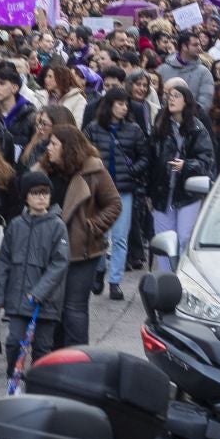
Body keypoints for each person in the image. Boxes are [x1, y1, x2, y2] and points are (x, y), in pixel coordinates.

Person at [41, 125, 121, 348]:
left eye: (54, 144)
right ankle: (54, 360)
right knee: (51, 308)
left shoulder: (93, 171)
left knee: (74, 308)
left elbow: (114, 204)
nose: (49, 148)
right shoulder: (43, 170)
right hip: (48, 250)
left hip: (81, 251)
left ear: (68, 148)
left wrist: (92, 227)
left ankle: (77, 362)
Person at [0, 171, 71, 373]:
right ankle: (14, 377)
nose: (41, 197)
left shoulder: (57, 226)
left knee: (42, 349)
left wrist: (39, 292)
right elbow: (4, 260)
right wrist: (1, 294)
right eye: (36, 193)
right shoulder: (15, 225)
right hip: (19, 299)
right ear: (26, 197)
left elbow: (60, 263)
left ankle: (38, 386)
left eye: (45, 193)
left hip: (46, 302)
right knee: (13, 343)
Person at [85, 88, 149, 301]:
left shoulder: (133, 130)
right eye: (120, 104)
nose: (124, 108)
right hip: (99, 190)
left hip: (124, 190)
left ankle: (115, 282)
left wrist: (133, 171)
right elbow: (83, 153)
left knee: (120, 237)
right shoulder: (94, 129)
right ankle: (100, 268)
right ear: (110, 105)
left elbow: (144, 156)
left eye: (125, 104)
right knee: (99, 234)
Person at [147, 80, 216, 267]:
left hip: (187, 193)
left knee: (184, 237)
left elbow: (206, 160)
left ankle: (182, 281)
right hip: (163, 192)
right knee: (163, 241)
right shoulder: (160, 125)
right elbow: (151, 159)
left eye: (176, 96)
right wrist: (148, 192)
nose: (171, 99)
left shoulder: (197, 128)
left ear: (187, 101)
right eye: (169, 96)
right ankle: (167, 284)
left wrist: (186, 165)